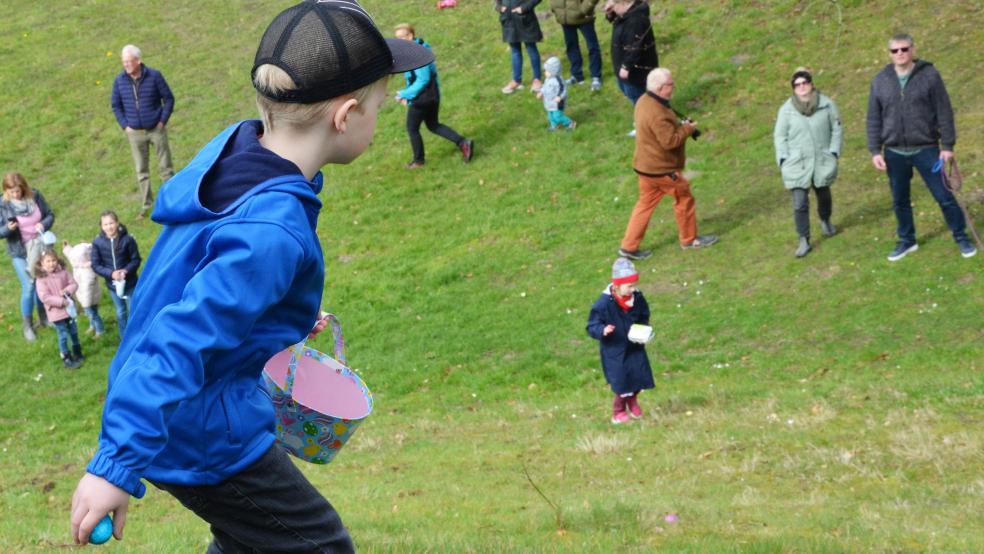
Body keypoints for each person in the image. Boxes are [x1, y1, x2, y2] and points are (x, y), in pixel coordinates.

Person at [69, 1, 435, 551]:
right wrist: (113, 464)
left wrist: (278, 319)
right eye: (379, 108)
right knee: (319, 544)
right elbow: (181, 336)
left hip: (176, 406)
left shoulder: (237, 154)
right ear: (346, 115)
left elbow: (208, 280)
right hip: (193, 424)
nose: (378, 121)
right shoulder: (273, 228)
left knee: (256, 541)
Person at [866, 33, 976, 260]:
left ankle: (961, 237)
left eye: (904, 49)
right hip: (894, 151)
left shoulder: (929, 75)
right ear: (889, 54)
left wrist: (947, 145)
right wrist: (875, 150)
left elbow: (944, 111)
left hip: (927, 148)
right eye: (895, 50)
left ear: (912, 50)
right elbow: (873, 118)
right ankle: (907, 241)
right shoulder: (880, 80)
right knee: (900, 200)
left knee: (944, 196)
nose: (900, 54)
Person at [618, 68, 717, 260]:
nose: (673, 88)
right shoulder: (657, 113)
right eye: (671, 85)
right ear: (661, 88)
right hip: (662, 170)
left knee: (644, 205)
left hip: (644, 167)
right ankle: (689, 239)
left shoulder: (644, 101)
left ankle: (628, 247)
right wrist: (687, 129)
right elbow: (669, 141)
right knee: (684, 199)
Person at [773, 68, 842, 258]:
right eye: (798, 84)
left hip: (821, 160)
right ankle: (803, 239)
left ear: (811, 84)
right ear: (793, 88)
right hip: (797, 163)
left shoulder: (827, 105)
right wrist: (783, 159)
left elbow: (836, 129)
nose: (802, 87)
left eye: (805, 83)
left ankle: (825, 219)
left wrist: (834, 152)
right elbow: (780, 136)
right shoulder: (786, 110)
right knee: (799, 203)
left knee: (823, 193)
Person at [393, 23, 474, 169]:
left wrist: (404, 94)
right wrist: (408, 96)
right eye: (397, 38)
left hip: (423, 98)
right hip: (432, 96)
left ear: (410, 36)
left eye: (401, 37)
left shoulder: (416, 53)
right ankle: (463, 143)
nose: (399, 41)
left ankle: (418, 161)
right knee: (433, 125)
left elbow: (423, 79)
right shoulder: (421, 47)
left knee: (412, 128)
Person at [586, 258, 654, 424]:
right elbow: (592, 325)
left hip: (634, 345)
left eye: (634, 285)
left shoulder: (637, 298)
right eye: (629, 286)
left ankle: (633, 401)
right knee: (622, 382)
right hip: (615, 350)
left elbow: (644, 315)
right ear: (617, 285)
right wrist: (603, 330)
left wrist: (643, 328)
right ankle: (619, 410)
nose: (633, 289)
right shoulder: (603, 304)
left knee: (638, 376)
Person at [111, 44, 175, 219]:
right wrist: (125, 126)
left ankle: (172, 200)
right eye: (124, 62)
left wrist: (162, 121)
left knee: (166, 167)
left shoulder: (154, 76)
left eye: (129, 61)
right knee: (141, 170)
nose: (126, 65)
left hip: (156, 129)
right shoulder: (119, 81)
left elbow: (168, 99)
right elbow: (116, 105)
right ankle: (147, 205)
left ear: (138, 61)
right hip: (135, 133)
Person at [1, 172, 55, 341]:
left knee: (41, 281)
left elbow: (50, 215)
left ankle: (43, 317)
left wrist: (43, 224)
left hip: (40, 247)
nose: (16, 195)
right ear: (6, 191)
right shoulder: (2, 205)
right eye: (12, 192)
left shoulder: (35, 196)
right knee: (29, 286)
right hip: (19, 251)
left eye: (18, 191)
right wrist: (8, 229)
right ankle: (27, 326)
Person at [603, 0, 657, 136]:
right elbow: (619, 23)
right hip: (624, 67)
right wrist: (610, 14)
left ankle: (645, 126)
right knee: (633, 93)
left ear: (622, 3)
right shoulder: (627, 14)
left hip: (636, 70)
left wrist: (626, 66)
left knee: (639, 98)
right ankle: (647, 120)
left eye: (614, 6)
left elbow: (635, 46)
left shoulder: (635, 20)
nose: (612, 8)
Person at [90, 211, 140, 337]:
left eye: (111, 223)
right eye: (105, 224)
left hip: (130, 283)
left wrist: (126, 271)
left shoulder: (128, 240)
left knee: (134, 310)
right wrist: (111, 274)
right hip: (113, 286)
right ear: (101, 226)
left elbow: (136, 259)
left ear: (117, 223)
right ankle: (124, 337)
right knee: (120, 312)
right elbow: (96, 265)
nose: (109, 227)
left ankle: (138, 335)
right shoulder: (97, 243)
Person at [34, 249, 84, 369]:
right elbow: (45, 297)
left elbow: (74, 284)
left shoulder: (63, 272)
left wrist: (67, 291)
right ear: (42, 263)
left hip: (69, 310)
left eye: (53, 260)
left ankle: (77, 351)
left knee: (73, 331)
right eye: (48, 261)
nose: (51, 263)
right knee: (62, 334)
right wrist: (61, 302)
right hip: (56, 312)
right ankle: (66, 357)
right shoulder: (41, 279)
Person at [548, 0, 603, 91]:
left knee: (592, 47)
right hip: (565, 18)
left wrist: (584, 9)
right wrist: (555, 8)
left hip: (584, 18)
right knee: (571, 47)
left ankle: (596, 77)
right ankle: (576, 75)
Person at [496, 0, 544, 94]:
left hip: (525, 20)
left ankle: (537, 80)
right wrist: (499, 7)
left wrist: (523, 8)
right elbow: (497, 2)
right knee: (515, 51)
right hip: (508, 21)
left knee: (531, 49)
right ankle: (516, 81)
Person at [63, 240, 105, 337]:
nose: (72, 261)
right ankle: (92, 325)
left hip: (89, 298)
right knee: (91, 313)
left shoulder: (88, 272)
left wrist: (85, 304)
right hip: (85, 296)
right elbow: (71, 254)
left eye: (74, 259)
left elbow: (87, 289)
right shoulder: (78, 265)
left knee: (93, 314)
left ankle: (100, 330)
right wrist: (66, 248)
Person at [537, 56, 577, 130]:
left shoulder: (558, 80)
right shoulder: (547, 79)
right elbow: (544, 87)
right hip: (549, 102)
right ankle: (554, 126)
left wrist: (560, 96)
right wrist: (541, 92)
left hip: (557, 103)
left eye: (547, 71)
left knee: (558, 116)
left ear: (553, 71)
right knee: (551, 116)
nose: (545, 72)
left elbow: (563, 89)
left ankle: (570, 123)